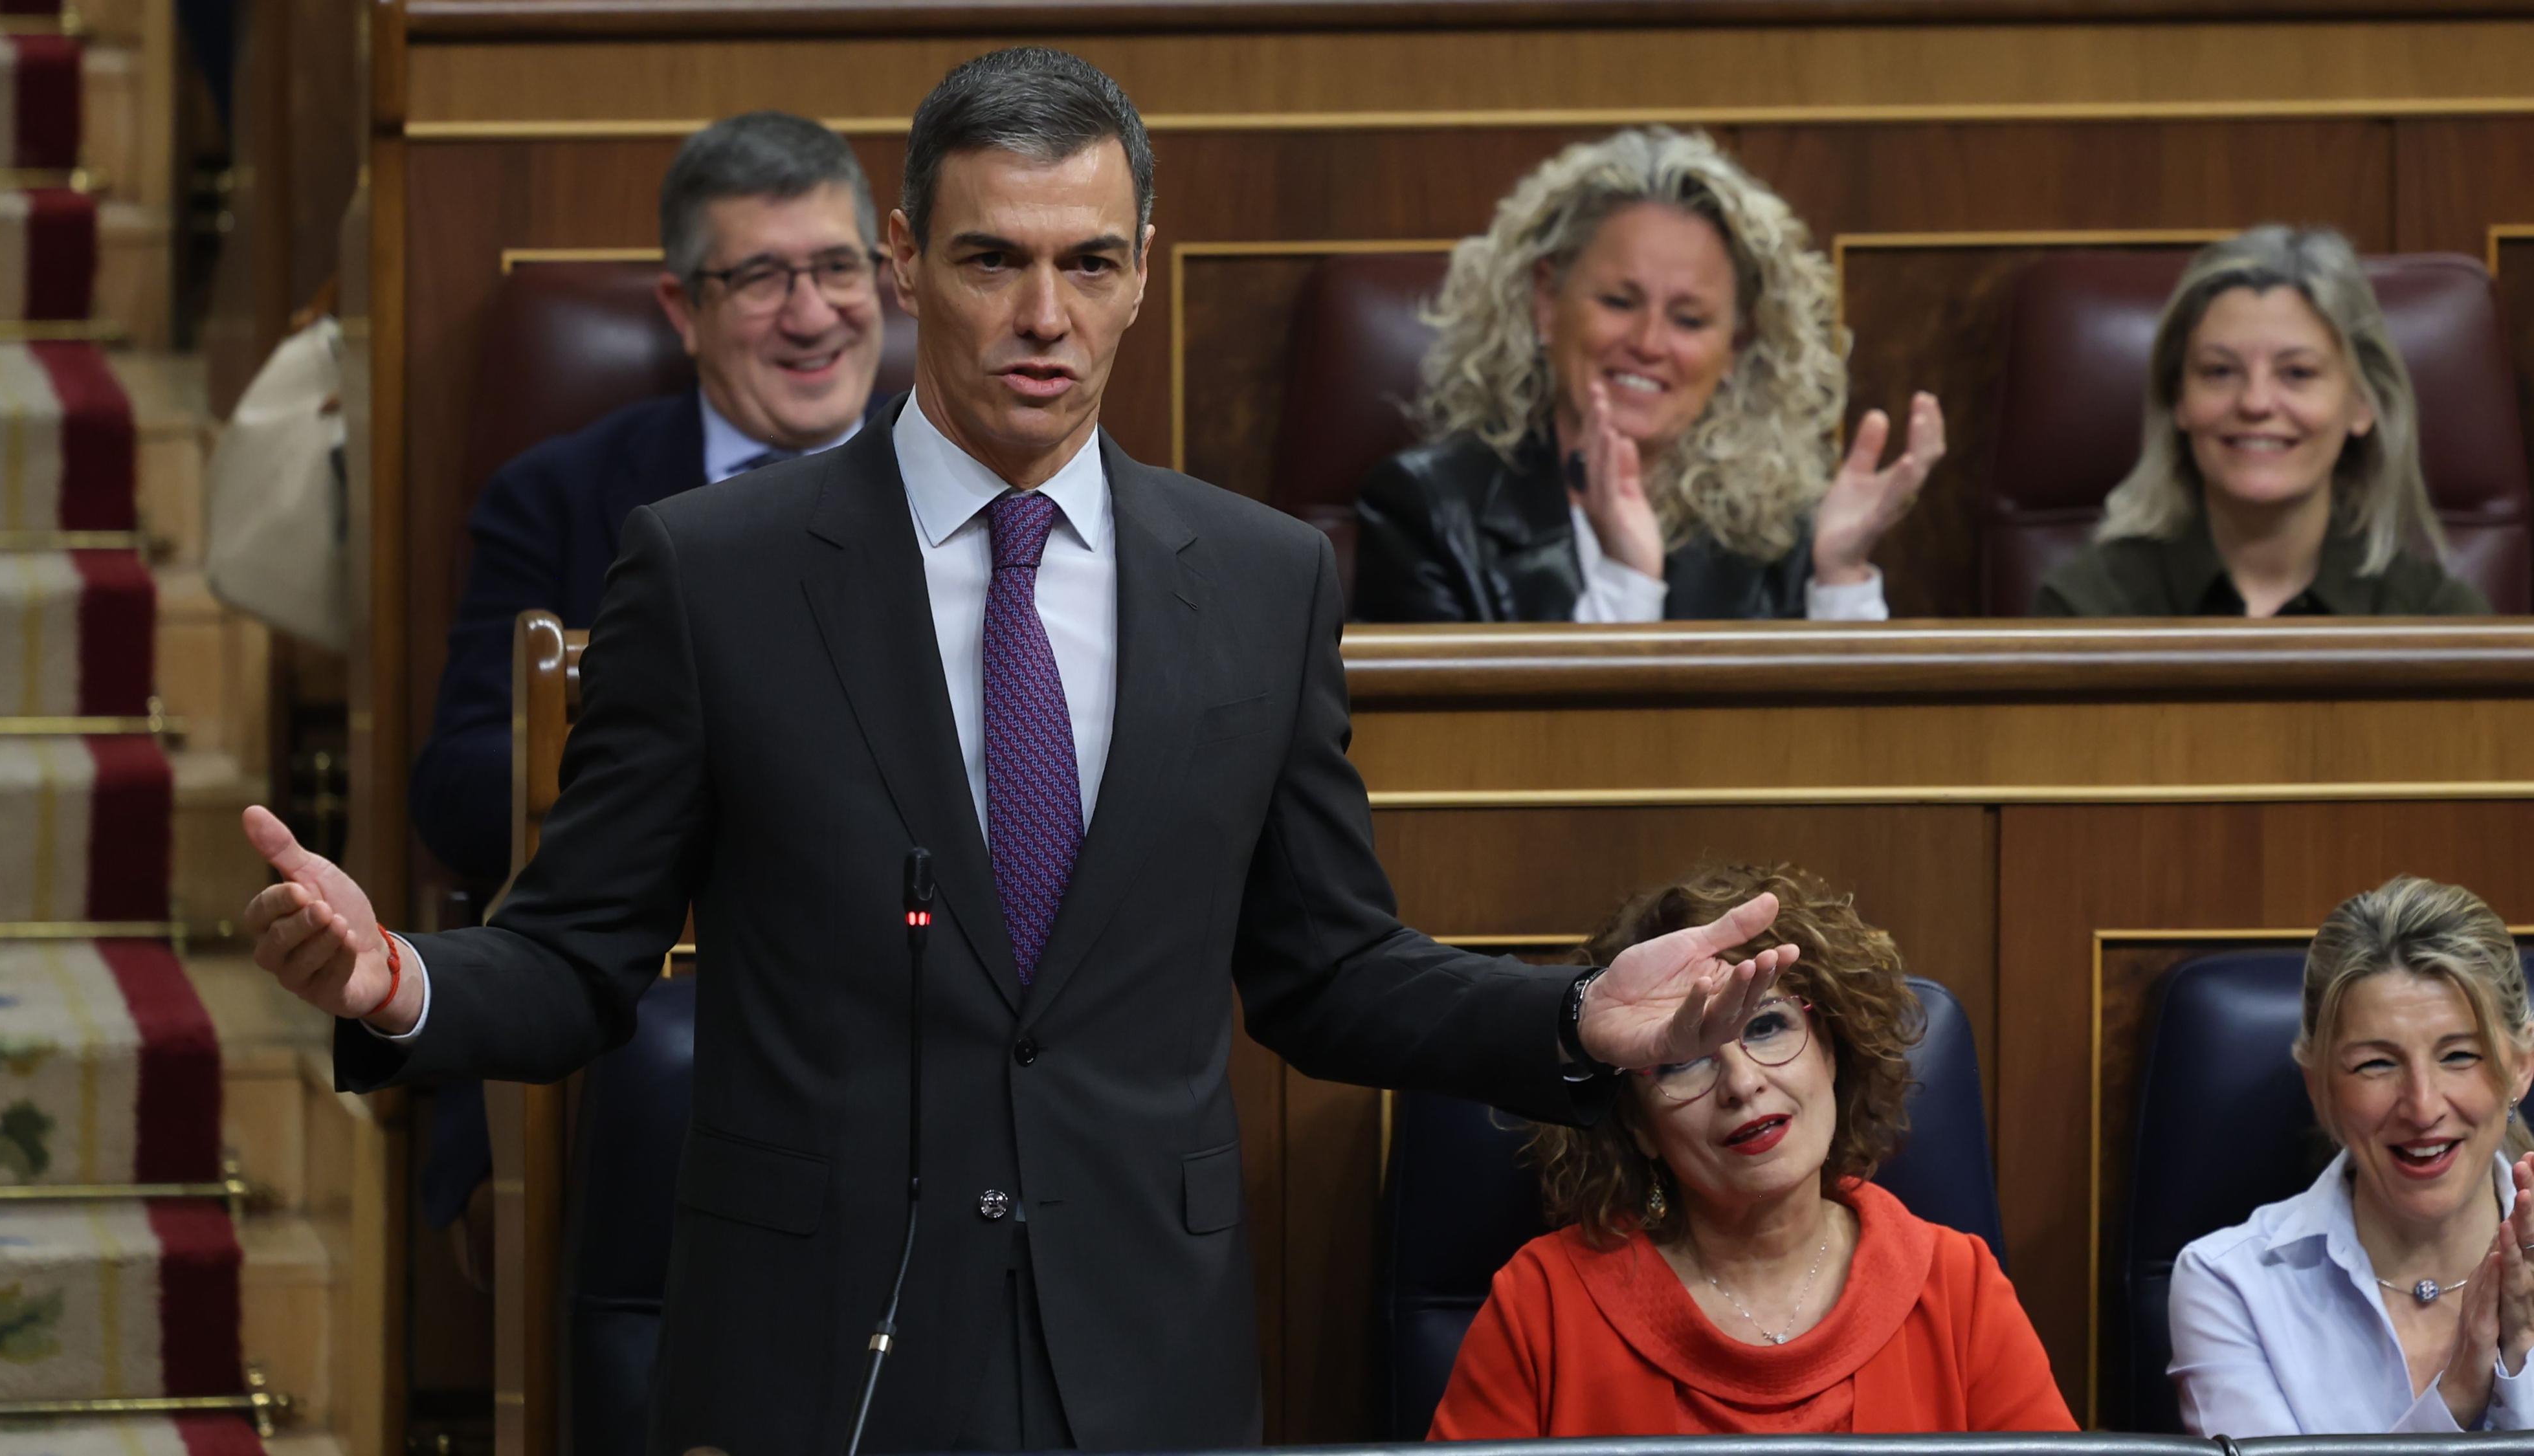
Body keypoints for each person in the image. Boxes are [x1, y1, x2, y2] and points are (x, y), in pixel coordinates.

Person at [238, 48, 1813, 1455]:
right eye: (993, 258)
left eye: (1088, 262)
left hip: (1141, 1351)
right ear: (907, 260)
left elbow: (1327, 970)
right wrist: (400, 981)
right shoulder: (713, 574)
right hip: (819, 1354)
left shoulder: (1260, 582)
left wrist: (1570, 1015)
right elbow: (580, 956)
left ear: (1142, 275)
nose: (1044, 315)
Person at [410, 111, 890, 889]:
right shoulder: (553, 498)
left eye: (838, 267)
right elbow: (459, 787)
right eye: (760, 278)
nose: (810, 317)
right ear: (683, 309)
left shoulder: (970, 476)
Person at [1430, 863, 2076, 1437]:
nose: (1742, 1084)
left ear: (1832, 1051)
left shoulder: (1957, 1287)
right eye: (1682, 1061)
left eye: (1766, 1026)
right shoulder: (1542, 1303)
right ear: (1637, 1125)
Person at [1353, 127, 1942, 625]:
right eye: (1618, 301)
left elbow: (1834, 729)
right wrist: (1627, 581)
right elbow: (1475, 731)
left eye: (1689, 320)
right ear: (1547, 302)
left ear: (1735, 346)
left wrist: (1839, 577)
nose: (1649, 343)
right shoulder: (1427, 511)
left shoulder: (1777, 531)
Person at [2168, 876, 2534, 1435]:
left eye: (2459, 1055)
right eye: (2376, 1064)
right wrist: (2460, 1391)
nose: (2423, 1107)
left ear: (2522, 1066)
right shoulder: (2230, 1284)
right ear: (2319, 1086)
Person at [2036, 226, 2487, 617]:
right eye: (2220, 371)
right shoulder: (2088, 609)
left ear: (2362, 404)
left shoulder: (2436, 617)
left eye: (2298, 373)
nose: (2255, 403)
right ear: (2178, 400)